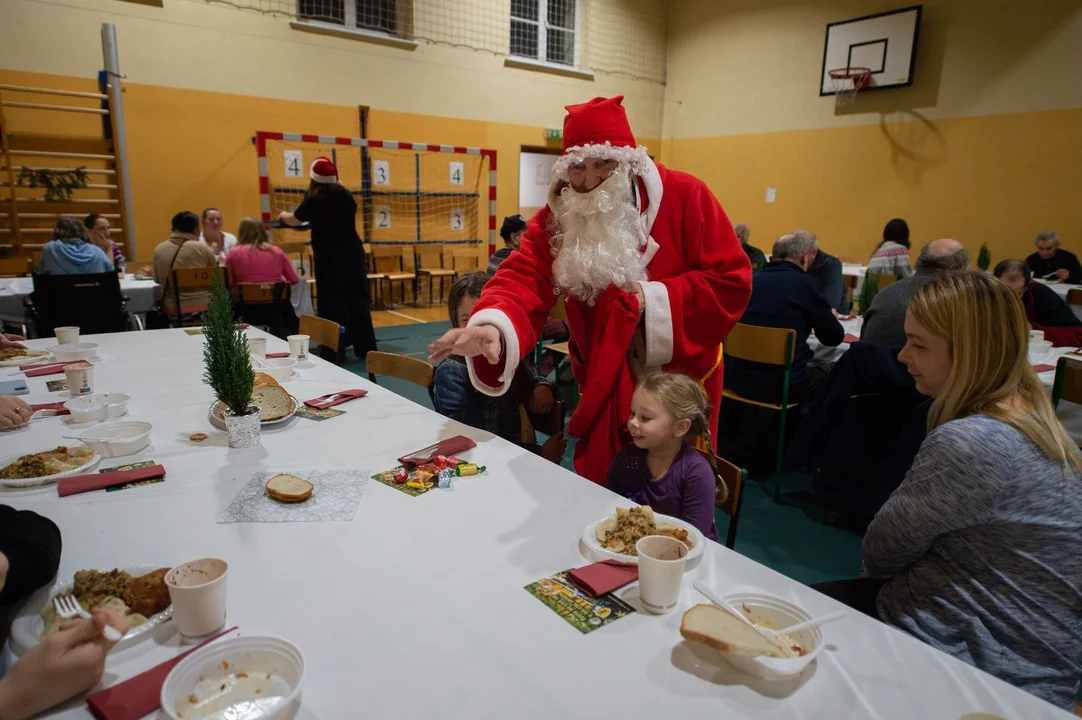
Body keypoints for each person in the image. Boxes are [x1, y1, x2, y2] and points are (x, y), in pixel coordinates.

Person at [428, 96, 752, 484]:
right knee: (607, 489)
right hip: (604, 379)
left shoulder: (689, 196)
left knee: (678, 494)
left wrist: (647, 300)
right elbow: (523, 276)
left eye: (604, 163)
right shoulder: (560, 216)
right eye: (578, 167)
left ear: (628, 161)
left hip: (680, 380)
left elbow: (732, 279)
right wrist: (493, 326)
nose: (591, 178)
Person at [817, 271, 1082, 711]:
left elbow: (882, 552)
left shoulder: (975, 441)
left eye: (919, 345)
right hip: (1035, 659)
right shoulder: (1046, 428)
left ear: (970, 355)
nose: (903, 356)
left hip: (977, 664)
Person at [433, 272, 566, 464]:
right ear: (455, 323)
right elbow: (468, 446)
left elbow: (527, 375)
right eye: (466, 320)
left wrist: (541, 384)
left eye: (483, 319)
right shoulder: (453, 373)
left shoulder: (505, 353)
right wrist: (539, 455)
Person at [724, 232, 843, 404]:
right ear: (803, 258)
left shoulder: (750, 282)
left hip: (738, 380)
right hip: (785, 385)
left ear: (772, 258)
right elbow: (833, 338)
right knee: (837, 370)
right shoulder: (806, 285)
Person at [278, 157, 378, 362]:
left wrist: (282, 215)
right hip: (353, 254)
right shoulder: (347, 196)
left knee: (332, 303)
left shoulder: (316, 200)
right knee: (358, 300)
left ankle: (333, 351)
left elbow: (294, 219)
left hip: (330, 257)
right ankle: (366, 349)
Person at [606, 373, 721, 542]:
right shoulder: (626, 459)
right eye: (632, 413)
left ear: (680, 427)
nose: (632, 423)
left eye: (645, 418)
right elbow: (608, 509)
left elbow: (693, 540)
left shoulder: (697, 474)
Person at [861, 238, 969, 347]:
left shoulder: (885, 293)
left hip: (869, 362)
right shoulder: (957, 302)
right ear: (961, 269)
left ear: (919, 261)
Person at [994, 259, 1082, 347]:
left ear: (1026, 287)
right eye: (1005, 293)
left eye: (1017, 294)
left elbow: (1078, 334)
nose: (1010, 299)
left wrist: (1034, 330)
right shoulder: (989, 293)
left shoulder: (1040, 295)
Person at [152, 211, 219, 318]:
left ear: (173, 228)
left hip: (173, 309)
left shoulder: (159, 249)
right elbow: (217, 275)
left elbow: (157, 279)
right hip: (206, 307)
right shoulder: (201, 248)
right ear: (196, 230)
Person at [225, 217, 300, 287]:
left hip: (244, 299)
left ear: (241, 232)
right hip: (276, 299)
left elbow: (227, 282)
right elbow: (294, 279)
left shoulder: (233, 253)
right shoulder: (277, 251)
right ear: (263, 231)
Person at [37, 218, 114, 276]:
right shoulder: (97, 251)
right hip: (93, 296)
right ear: (84, 231)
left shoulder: (49, 249)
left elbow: (41, 276)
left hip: (60, 296)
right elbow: (111, 275)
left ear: (57, 231)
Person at [800, 229, 847, 312]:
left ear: (814, 253)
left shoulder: (831, 265)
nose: (798, 258)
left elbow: (831, 304)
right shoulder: (791, 261)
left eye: (802, 254)